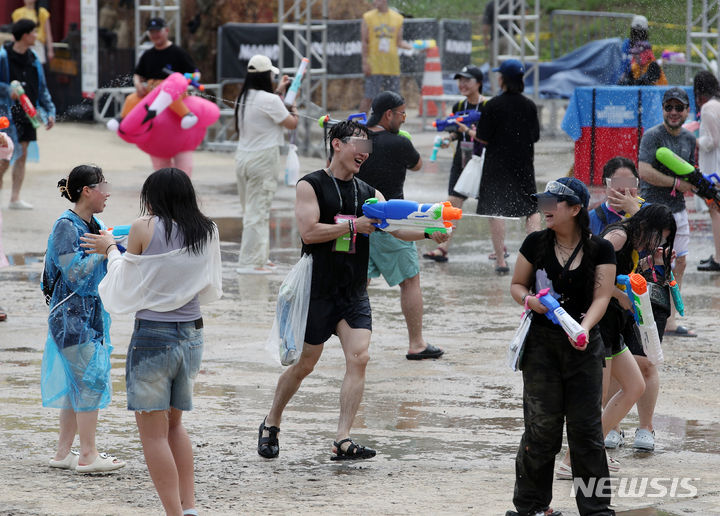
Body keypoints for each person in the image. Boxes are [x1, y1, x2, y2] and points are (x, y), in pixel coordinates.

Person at [256, 120, 448, 461]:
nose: (364, 153)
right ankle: (271, 421)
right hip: (318, 290)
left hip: (353, 291)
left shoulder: (369, 192)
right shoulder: (310, 185)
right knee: (305, 365)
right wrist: (352, 225)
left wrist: (430, 233)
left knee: (359, 358)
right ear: (337, 144)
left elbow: (396, 231)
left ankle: (342, 439)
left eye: (367, 147)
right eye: (358, 144)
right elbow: (309, 233)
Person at [81, 168, 222, 515]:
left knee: (153, 435)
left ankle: (173, 514)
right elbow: (199, 281)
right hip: (192, 336)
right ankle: (189, 508)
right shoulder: (208, 230)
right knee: (175, 427)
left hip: (152, 339)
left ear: (152, 197)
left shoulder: (145, 226)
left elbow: (128, 280)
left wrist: (110, 249)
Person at [508, 177, 616, 516]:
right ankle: (531, 507)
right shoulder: (535, 243)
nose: (546, 208)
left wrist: (582, 328)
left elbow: (602, 297)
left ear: (575, 208)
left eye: (554, 202)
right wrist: (529, 301)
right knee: (541, 429)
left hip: (583, 348)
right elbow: (516, 285)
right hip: (540, 347)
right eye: (544, 201)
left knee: (586, 431)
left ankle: (596, 509)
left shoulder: (600, 248)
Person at [556, 203, 676, 478]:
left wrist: (647, 264)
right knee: (595, 396)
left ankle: (593, 450)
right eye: (659, 237)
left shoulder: (633, 243)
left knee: (635, 386)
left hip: (614, 327)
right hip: (599, 323)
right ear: (647, 227)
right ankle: (570, 460)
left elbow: (617, 269)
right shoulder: (619, 236)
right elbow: (588, 271)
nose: (658, 243)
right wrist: (619, 295)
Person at [41, 164, 125, 474]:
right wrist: (103, 252)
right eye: (103, 185)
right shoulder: (66, 225)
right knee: (90, 383)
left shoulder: (94, 223)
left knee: (79, 384)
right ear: (87, 191)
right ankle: (88, 454)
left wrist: (115, 243)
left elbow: (109, 249)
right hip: (70, 317)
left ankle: (64, 453)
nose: (108, 192)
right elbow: (73, 273)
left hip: (89, 316)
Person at [357, 91, 444, 359]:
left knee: (360, 282)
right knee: (410, 281)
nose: (404, 119)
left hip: (357, 222)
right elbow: (418, 165)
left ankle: (353, 342)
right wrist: (404, 142)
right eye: (402, 114)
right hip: (392, 222)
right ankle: (416, 343)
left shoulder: (359, 141)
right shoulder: (398, 143)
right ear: (388, 115)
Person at [638, 87, 696, 337]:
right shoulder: (652, 136)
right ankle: (646, 320)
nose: (673, 112)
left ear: (687, 111)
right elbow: (644, 171)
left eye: (678, 107)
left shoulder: (689, 139)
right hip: (653, 208)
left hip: (679, 209)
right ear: (662, 109)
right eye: (668, 107)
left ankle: (670, 322)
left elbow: (692, 172)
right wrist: (675, 183)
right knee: (650, 263)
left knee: (679, 262)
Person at [107, 18, 198, 174]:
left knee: (183, 168)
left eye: (158, 31)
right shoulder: (148, 55)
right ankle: (121, 119)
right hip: (152, 99)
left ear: (166, 31)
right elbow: (138, 74)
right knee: (131, 99)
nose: (155, 35)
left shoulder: (178, 53)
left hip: (173, 95)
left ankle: (187, 115)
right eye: (152, 32)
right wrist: (137, 84)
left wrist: (187, 80)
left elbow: (195, 73)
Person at [476, 59, 541, 275]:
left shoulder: (493, 105)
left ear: (503, 79)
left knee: (497, 209)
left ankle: (501, 262)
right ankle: (535, 258)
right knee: (531, 209)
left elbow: (483, 139)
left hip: (497, 165)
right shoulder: (529, 105)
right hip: (523, 164)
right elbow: (535, 136)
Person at [234, 54, 297, 274]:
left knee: (252, 210)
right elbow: (291, 123)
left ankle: (260, 256)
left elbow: (270, 104)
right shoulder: (269, 100)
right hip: (262, 159)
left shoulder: (245, 96)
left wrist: (279, 91)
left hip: (242, 158)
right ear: (265, 76)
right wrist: (293, 103)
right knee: (258, 211)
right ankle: (251, 262)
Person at [423, 65, 487, 263]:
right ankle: (443, 248)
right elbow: (456, 132)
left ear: (478, 83)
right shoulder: (459, 106)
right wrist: (448, 139)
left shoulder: (489, 107)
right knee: (452, 201)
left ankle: (499, 251)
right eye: (460, 80)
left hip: (485, 159)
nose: (462, 84)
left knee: (492, 207)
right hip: (462, 159)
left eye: (467, 80)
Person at [0, 19, 56, 210]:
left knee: (21, 155)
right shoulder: (3, 56)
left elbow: (42, 88)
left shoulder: (33, 59)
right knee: (4, 157)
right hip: (6, 114)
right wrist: (8, 90)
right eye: (33, 32)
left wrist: (50, 111)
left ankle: (15, 198)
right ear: (25, 35)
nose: (36, 36)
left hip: (28, 114)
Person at [359, 0, 412, 115]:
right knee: (369, 96)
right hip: (374, 64)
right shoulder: (368, 17)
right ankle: (357, 124)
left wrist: (414, 47)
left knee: (394, 99)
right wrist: (365, 62)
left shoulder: (397, 18)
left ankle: (393, 126)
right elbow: (364, 42)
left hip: (391, 65)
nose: (375, 2)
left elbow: (399, 42)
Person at [693, 71, 720, 271]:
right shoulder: (717, 104)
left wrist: (693, 140)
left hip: (715, 169)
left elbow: (712, 141)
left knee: (715, 211)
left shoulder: (709, 108)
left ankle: (718, 258)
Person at [617, 15, 667, 86]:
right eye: (633, 53)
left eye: (637, 53)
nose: (634, 56)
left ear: (646, 54)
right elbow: (632, 82)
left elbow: (645, 82)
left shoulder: (653, 66)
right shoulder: (635, 66)